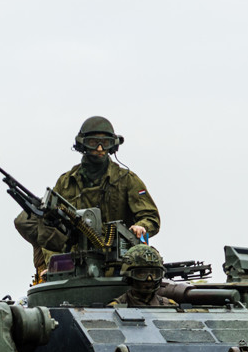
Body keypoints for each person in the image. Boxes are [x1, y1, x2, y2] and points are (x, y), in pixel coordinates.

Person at [14, 116, 160, 280]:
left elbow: (151, 217)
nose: (100, 148)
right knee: (31, 219)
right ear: (82, 144)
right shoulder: (66, 182)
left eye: (105, 143)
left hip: (116, 266)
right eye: (93, 142)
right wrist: (53, 264)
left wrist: (141, 227)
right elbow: (49, 225)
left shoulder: (126, 179)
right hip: (75, 264)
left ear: (113, 145)